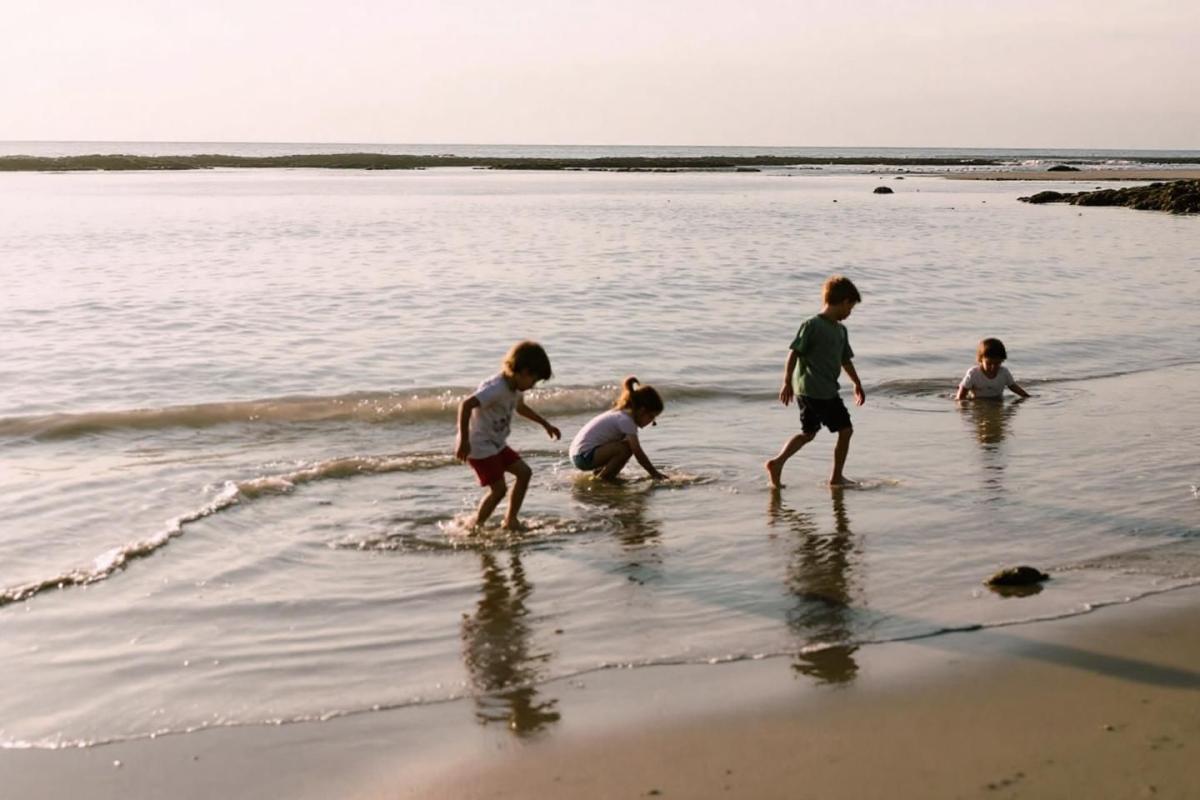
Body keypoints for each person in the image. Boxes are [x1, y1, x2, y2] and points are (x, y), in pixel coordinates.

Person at [766, 275, 865, 489]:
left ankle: (777, 463)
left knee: (808, 433)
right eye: (851, 308)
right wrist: (786, 382)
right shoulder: (812, 325)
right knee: (846, 430)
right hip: (819, 391)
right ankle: (836, 477)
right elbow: (794, 352)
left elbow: (844, 359)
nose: (850, 313)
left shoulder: (840, 330)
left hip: (817, 391)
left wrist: (857, 383)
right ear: (845, 301)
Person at [455, 341, 561, 530]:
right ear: (523, 372)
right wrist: (463, 440)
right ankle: (475, 526)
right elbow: (466, 405)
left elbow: (520, 408)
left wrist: (546, 424)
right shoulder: (496, 388)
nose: (533, 386)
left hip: (496, 443)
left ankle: (510, 521)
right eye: (534, 380)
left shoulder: (515, 388)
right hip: (479, 444)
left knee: (524, 473)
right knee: (499, 490)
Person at [569, 376, 666, 481]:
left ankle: (600, 473)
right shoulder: (626, 420)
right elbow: (638, 452)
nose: (652, 422)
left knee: (621, 444)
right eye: (651, 417)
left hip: (579, 455)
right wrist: (654, 473)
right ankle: (605, 478)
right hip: (584, 457)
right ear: (642, 411)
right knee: (626, 448)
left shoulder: (619, 414)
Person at [955, 338, 1030, 401]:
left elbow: (1013, 386)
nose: (993, 367)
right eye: (989, 363)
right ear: (980, 360)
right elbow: (963, 390)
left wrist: (1026, 396)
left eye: (997, 363)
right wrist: (961, 405)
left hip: (997, 401)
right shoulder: (973, 373)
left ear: (1002, 360)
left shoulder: (1004, 373)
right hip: (977, 402)